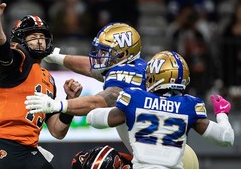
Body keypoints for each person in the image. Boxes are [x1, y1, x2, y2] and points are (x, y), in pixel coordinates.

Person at [25, 22, 200, 168]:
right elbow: (90, 67)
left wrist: (58, 106)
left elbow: (100, 101)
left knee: (94, 163)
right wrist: (57, 57)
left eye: (105, 51)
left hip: (166, 160)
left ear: (123, 55)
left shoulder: (123, 79)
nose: (99, 56)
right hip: (176, 153)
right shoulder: (137, 66)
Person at [0, 0, 83, 169]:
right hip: (3, 143)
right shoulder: (20, 58)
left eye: (42, 36)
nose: (40, 40)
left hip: (30, 150)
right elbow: (2, 51)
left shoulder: (49, 78)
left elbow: (57, 131)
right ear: (21, 40)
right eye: (33, 37)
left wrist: (69, 102)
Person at [86, 50, 234, 168]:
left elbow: (93, 119)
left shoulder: (135, 98)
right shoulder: (189, 105)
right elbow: (226, 138)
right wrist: (222, 114)